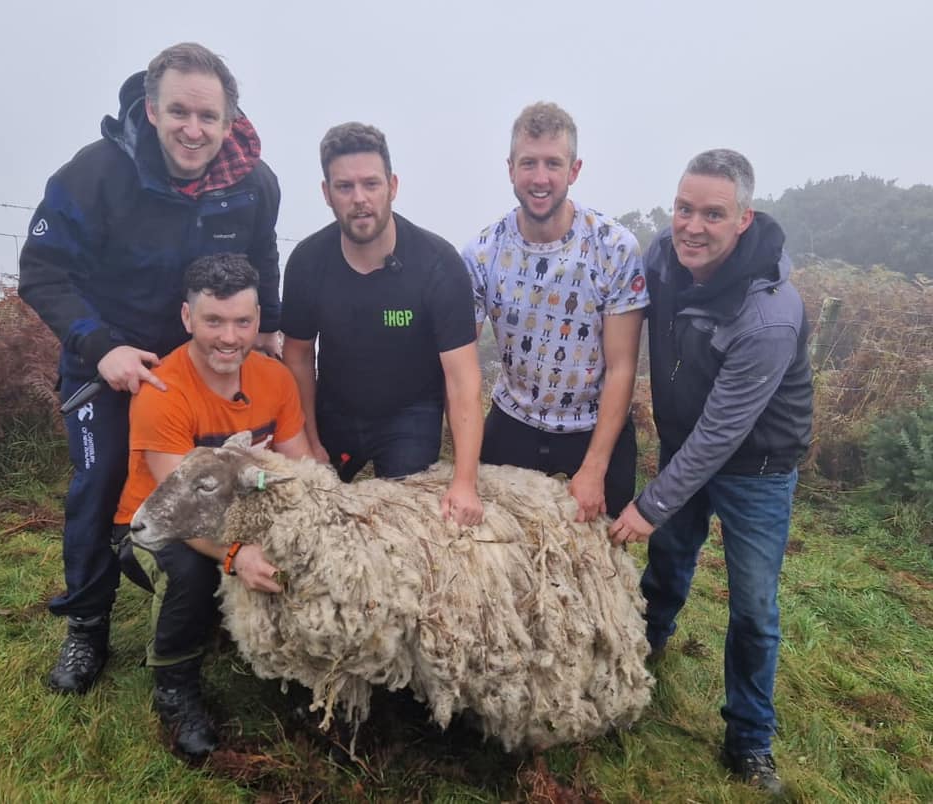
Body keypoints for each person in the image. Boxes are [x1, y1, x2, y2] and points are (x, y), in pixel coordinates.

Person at [18, 42, 283, 696]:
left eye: (208, 116)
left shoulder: (255, 184)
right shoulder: (95, 174)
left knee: (232, 478)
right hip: (114, 356)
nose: (193, 130)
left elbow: (263, 258)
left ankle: (215, 601)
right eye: (179, 112)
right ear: (151, 109)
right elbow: (40, 269)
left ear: (230, 120)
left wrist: (268, 332)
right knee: (102, 476)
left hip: (204, 365)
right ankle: (86, 626)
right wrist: (99, 346)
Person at [608, 149, 813, 795]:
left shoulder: (769, 314)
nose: (692, 226)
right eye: (683, 209)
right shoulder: (662, 260)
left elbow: (723, 433)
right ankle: (642, 654)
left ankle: (749, 741)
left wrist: (648, 504)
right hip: (680, 441)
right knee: (668, 562)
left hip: (756, 465)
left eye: (713, 214)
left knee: (753, 606)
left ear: (743, 220)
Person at [114, 253, 311, 757]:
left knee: (306, 554)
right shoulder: (164, 391)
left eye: (243, 322)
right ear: (187, 318)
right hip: (155, 526)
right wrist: (237, 555)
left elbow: (301, 468)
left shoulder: (276, 379)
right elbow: (182, 510)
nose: (230, 337)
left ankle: (299, 670)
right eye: (214, 321)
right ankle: (175, 685)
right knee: (193, 573)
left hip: (242, 515)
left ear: (259, 319)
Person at [281, 122, 484, 525]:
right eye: (344, 187)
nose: (360, 199)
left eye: (371, 184)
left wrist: (465, 480)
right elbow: (299, 356)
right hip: (335, 409)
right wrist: (310, 441)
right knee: (307, 514)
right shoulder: (307, 262)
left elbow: (463, 381)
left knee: (406, 524)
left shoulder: (438, 264)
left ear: (392, 185)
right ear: (326, 193)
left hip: (410, 413)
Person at [461, 102, 647, 522]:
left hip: (594, 426)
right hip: (514, 421)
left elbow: (622, 367)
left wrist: (594, 469)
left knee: (598, 559)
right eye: (529, 163)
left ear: (574, 170)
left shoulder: (615, 248)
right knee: (499, 551)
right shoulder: (481, 254)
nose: (540, 178)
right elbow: (463, 363)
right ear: (511, 169)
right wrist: (465, 470)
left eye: (552, 163)